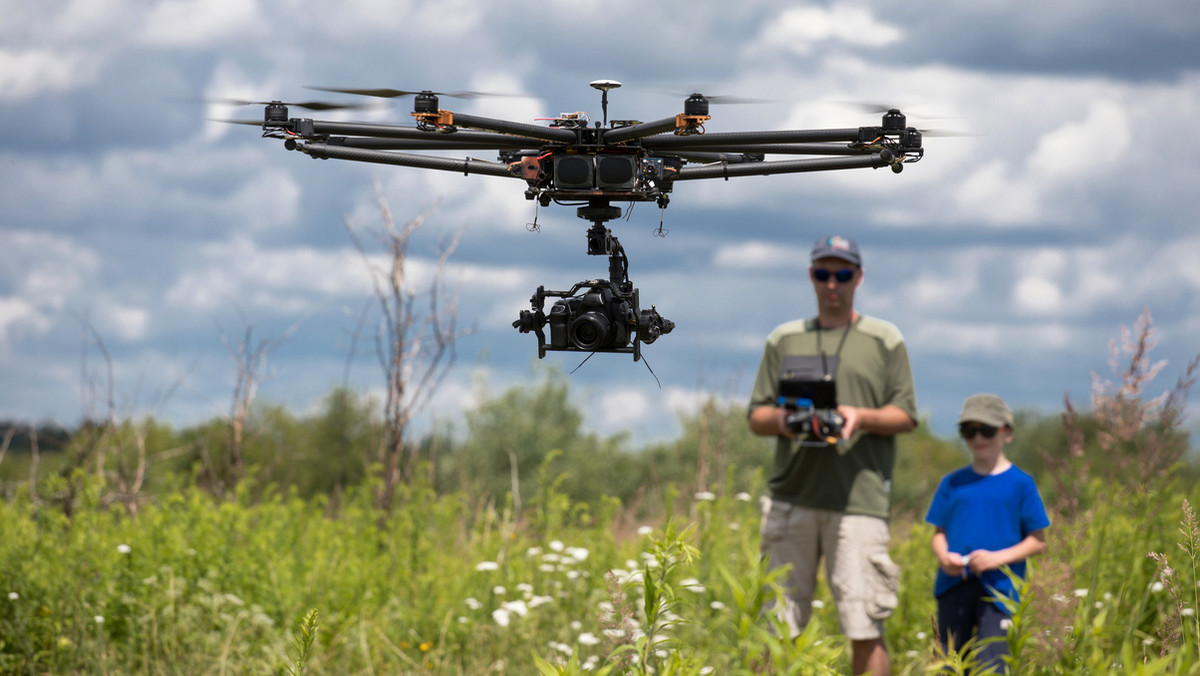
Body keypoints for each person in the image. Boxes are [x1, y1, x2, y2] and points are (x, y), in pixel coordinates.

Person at [748, 235, 918, 676]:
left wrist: (858, 416)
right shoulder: (784, 339)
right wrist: (788, 421)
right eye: (823, 273)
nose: (832, 284)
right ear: (811, 276)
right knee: (777, 627)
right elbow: (757, 415)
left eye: (842, 274)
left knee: (864, 626)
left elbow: (905, 415)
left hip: (857, 502)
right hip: (791, 498)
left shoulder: (884, 339)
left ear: (858, 277)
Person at [925, 394, 1049, 674]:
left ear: (1006, 432)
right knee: (949, 663)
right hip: (953, 585)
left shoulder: (1020, 483)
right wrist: (944, 557)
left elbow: (1037, 541)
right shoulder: (952, 482)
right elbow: (938, 533)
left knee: (992, 664)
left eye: (987, 430)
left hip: (1000, 590)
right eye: (970, 431)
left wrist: (995, 559)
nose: (978, 437)